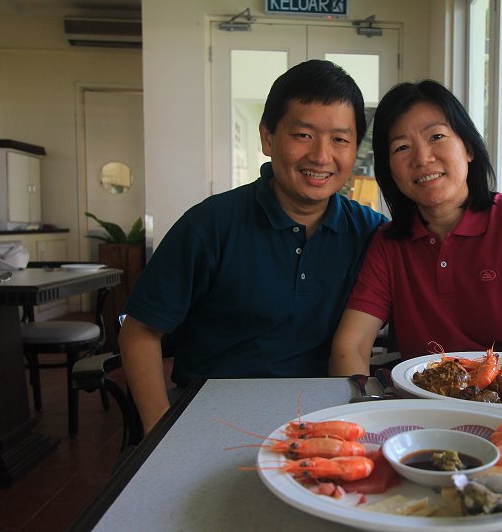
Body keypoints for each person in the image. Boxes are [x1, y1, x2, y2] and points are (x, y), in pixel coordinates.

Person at [118, 60, 386, 434]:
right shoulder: (210, 225)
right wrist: (160, 431)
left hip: (322, 418)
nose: (322, 156)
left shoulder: (372, 233)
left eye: (340, 139)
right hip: (213, 414)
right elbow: (140, 332)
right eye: (303, 135)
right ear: (268, 137)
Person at [329, 80, 502, 377]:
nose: (422, 158)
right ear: (389, 171)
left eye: (436, 136)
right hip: (433, 409)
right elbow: (351, 346)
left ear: (469, 149)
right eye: (402, 147)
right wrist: (365, 408)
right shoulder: (389, 244)